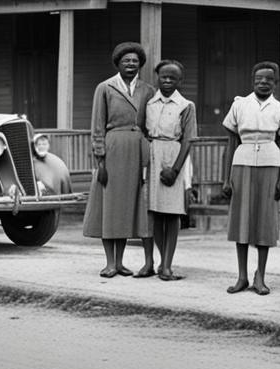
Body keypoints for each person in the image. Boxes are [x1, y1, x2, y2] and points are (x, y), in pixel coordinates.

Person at [83, 41, 156, 278]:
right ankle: (109, 263)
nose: (131, 65)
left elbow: (150, 124)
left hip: (137, 149)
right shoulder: (105, 88)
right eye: (126, 61)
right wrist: (100, 162)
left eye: (135, 61)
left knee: (126, 206)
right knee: (110, 205)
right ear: (118, 63)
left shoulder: (147, 90)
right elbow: (97, 127)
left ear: (140, 65)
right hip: (113, 149)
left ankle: (121, 262)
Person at [221, 61, 280, 296]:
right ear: (253, 81)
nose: (263, 82)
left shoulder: (279, 108)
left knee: (264, 221)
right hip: (242, 162)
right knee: (242, 220)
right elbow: (231, 143)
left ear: (276, 82)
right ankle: (241, 275)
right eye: (258, 79)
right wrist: (225, 178)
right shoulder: (240, 105)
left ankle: (260, 275)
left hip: (270, 163)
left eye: (268, 79)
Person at [144, 59, 196, 281]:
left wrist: (175, 170)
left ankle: (167, 265)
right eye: (163, 77)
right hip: (152, 154)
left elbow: (187, 140)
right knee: (154, 212)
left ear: (179, 81)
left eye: (172, 78)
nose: (167, 81)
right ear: (157, 77)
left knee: (172, 213)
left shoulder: (186, 106)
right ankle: (159, 260)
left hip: (174, 155)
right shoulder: (148, 103)